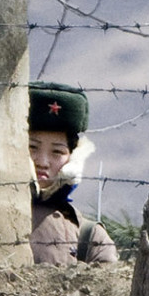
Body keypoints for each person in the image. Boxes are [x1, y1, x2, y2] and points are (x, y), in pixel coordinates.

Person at [28, 82, 117, 265]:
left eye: (57, 152)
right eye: (32, 147)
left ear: (74, 157)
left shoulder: (90, 236)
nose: (43, 162)